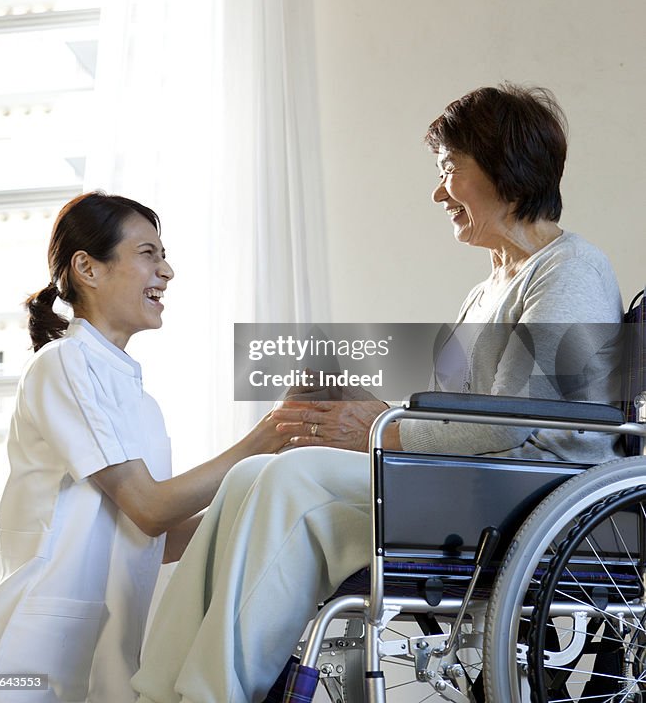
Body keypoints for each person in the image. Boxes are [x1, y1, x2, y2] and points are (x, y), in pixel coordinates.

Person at [131, 83, 624, 703]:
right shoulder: (488, 288)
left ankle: (212, 693)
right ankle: (155, 691)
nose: (439, 193)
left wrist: (376, 426)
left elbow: (505, 426)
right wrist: (355, 404)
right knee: (251, 477)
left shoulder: (569, 269)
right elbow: (452, 413)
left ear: (506, 168)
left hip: (528, 495)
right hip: (468, 487)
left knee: (292, 480)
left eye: (450, 171)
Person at [0, 192, 292, 703]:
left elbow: (153, 534)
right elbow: (149, 505)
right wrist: (264, 438)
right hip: (22, 658)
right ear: (87, 268)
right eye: (148, 254)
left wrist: (270, 508)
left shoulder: (143, 404)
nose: (166, 271)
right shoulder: (63, 364)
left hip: (99, 657)